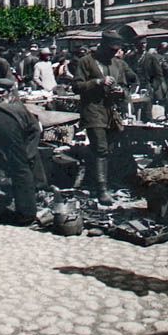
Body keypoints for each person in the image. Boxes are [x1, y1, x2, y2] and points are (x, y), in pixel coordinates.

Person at [0, 78, 42, 226]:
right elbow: (35, 130)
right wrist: (27, 155)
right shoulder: (19, 107)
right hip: (7, 125)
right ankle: (26, 214)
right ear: (11, 92)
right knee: (21, 171)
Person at [72, 30, 128, 205]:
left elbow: (126, 84)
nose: (113, 53)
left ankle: (96, 181)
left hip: (111, 111)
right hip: (93, 110)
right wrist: (97, 82)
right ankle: (102, 190)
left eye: (116, 50)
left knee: (107, 149)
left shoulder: (118, 64)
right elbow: (76, 86)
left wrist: (121, 91)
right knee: (101, 148)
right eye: (111, 50)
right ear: (102, 46)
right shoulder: (86, 61)